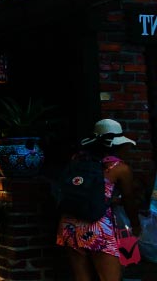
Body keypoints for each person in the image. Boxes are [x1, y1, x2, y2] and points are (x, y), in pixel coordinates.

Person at [56, 119, 141, 281]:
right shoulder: (119, 168)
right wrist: (135, 225)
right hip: (98, 228)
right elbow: (130, 201)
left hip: (69, 225)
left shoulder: (77, 159)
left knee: (82, 278)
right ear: (117, 145)